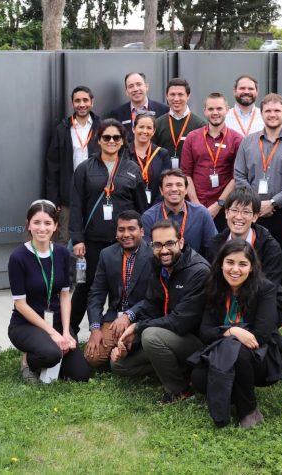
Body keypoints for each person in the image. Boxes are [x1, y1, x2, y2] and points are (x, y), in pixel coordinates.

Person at [189, 240, 282, 428]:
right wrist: (231, 330)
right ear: (221, 263)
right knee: (199, 378)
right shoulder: (214, 287)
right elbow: (205, 332)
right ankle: (232, 394)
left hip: (260, 355)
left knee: (239, 352)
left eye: (243, 264)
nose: (235, 269)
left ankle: (249, 411)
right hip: (223, 350)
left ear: (252, 268)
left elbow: (260, 335)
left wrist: (228, 336)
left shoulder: (265, 288)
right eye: (230, 262)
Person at [112, 219, 210, 403]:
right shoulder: (156, 264)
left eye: (170, 243)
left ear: (181, 242)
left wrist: (138, 328)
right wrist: (132, 339)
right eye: (157, 245)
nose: (164, 250)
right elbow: (151, 304)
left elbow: (180, 322)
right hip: (166, 335)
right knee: (118, 364)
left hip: (196, 342)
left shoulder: (199, 272)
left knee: (150, 336)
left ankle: (180, 391)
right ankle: (177, 368)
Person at [69, 118, 148, 338]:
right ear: (98, 140)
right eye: (106, 137)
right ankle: (70, 330)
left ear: (123, 141)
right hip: (93, 241)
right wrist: (78, 239)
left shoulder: (132, 169)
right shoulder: (84, 169)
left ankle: (118, 327)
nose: (111, 141)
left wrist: (145, 237)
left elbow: (142, 208)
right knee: (86, 286)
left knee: (124, 285)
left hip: (124, 241)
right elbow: (76, 205)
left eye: (116, 137)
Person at [233, 93, 282, 303]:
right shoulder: (248, 142)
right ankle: (250, 303)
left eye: (277, 111)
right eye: (268, 111)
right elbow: (239, 175)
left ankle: (280, 308)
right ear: (261, 113)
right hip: (251, 213)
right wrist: (255, 205)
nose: (272, 115)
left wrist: (274, 203)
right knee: (251, 258)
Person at [8, 200, 90, 383]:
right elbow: (20, 304)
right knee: (52, 354)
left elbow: (64, 295)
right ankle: (28, 361)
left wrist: (67, 331)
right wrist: (53, 334)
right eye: (36, 222)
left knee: (80, 374)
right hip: (26, 324)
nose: (42, 228)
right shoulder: (18, 257)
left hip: (57, 321)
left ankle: (50, 352)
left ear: (55, 226)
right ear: (28, 224)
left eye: (47, 223)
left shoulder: (61, 253)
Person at [203, 186, 282, 324]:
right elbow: (212, 282)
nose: (239, 217)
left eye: (246, 212)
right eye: (234, 210)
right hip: (224, 302)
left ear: (255, 216)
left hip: (259, 302)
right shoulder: (215, 244)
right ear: (226, 213)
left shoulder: (270, 246)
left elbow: (271, 286)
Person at [83, 210, 153, 370]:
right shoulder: (106, 254)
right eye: (121, 229)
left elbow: (153, 296)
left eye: (131, 229)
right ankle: (122, 350)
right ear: (116, 232)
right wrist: (95, 328)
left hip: (143, 318)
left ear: (141, 231)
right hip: (114, 318)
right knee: (92, 358)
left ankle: (128, 350)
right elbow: (96, 294)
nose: (126, 234)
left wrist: (129, 315)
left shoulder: (153, 255)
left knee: (138, 349)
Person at [44, 86, 101, 243]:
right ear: (72, 103)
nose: (81, 104)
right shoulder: (62, 129)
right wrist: (53, 200)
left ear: (92, 102)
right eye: (77, 101)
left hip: (95, 192)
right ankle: (66, 269)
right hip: (68, 196)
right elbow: (52, 167)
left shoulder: (101, 127)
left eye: (85, 100)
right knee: (64, 240)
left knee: (94, 237)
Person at [180, 92, 244, 231]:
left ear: (227, 110)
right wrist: (196, 205)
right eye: (211, 109)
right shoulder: (192, 137)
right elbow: (186, 173)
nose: (215, 113)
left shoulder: (237, 140)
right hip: (194, 208)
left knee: (222, 250)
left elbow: (237, 177)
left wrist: (218, 205)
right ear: (205, 111)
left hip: (225, 209)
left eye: (219, 109)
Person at [140, 168, 217, 254]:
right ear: (161, 190)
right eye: (169, 185)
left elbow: (213, 248)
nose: (174, 189)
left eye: (179, 185)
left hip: (195, 265)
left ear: (186, 189)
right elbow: (147, 254)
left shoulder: (201, 214)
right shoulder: (149, 217)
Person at [152, 78, 206, 167]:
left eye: (180, 94)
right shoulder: (157, 124)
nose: (176, 99)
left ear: (188, 96)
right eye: (172, 94)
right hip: (164, 178)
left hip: (189, 179)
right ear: (166, 96)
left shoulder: (200, 125)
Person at [107, 72, 168, 141]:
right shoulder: (116, 114)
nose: (135, 89)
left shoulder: (164, 110)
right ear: (126, 91)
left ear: (146, 87)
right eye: (131, 86)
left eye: (139, 84)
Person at [126, 112, 170, 207]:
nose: (145, 131)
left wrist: (155, 209)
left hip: (156, 208)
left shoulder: (162, 154)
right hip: (129, 208)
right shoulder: (123, 153)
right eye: (141, 127)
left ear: (154, 131)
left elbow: (166, 183)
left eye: (149, 128)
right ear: (134, 129)